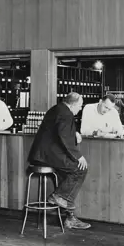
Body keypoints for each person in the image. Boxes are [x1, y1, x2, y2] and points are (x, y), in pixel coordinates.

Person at [28, 92, 91, 230]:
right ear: (73, 104)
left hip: (42, 154)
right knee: (80, 168)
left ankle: (69, 217)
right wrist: (79, 156)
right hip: (46, 156)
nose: (80, 109)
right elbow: (64, 138)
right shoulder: (66, 114)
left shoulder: (57, 108)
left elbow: (59, 132)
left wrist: (74, 134)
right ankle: (58, 196)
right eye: (79, 106)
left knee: (67, 177)